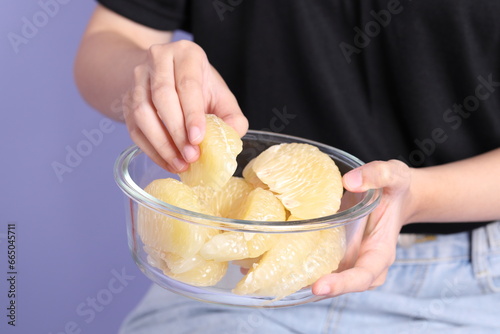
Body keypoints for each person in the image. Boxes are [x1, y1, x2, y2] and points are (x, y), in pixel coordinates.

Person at [74, 1, 500, 332]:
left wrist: (420, 197)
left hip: (472, 277)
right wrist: (152, 79)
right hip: (240, 262)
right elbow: (111, 36)